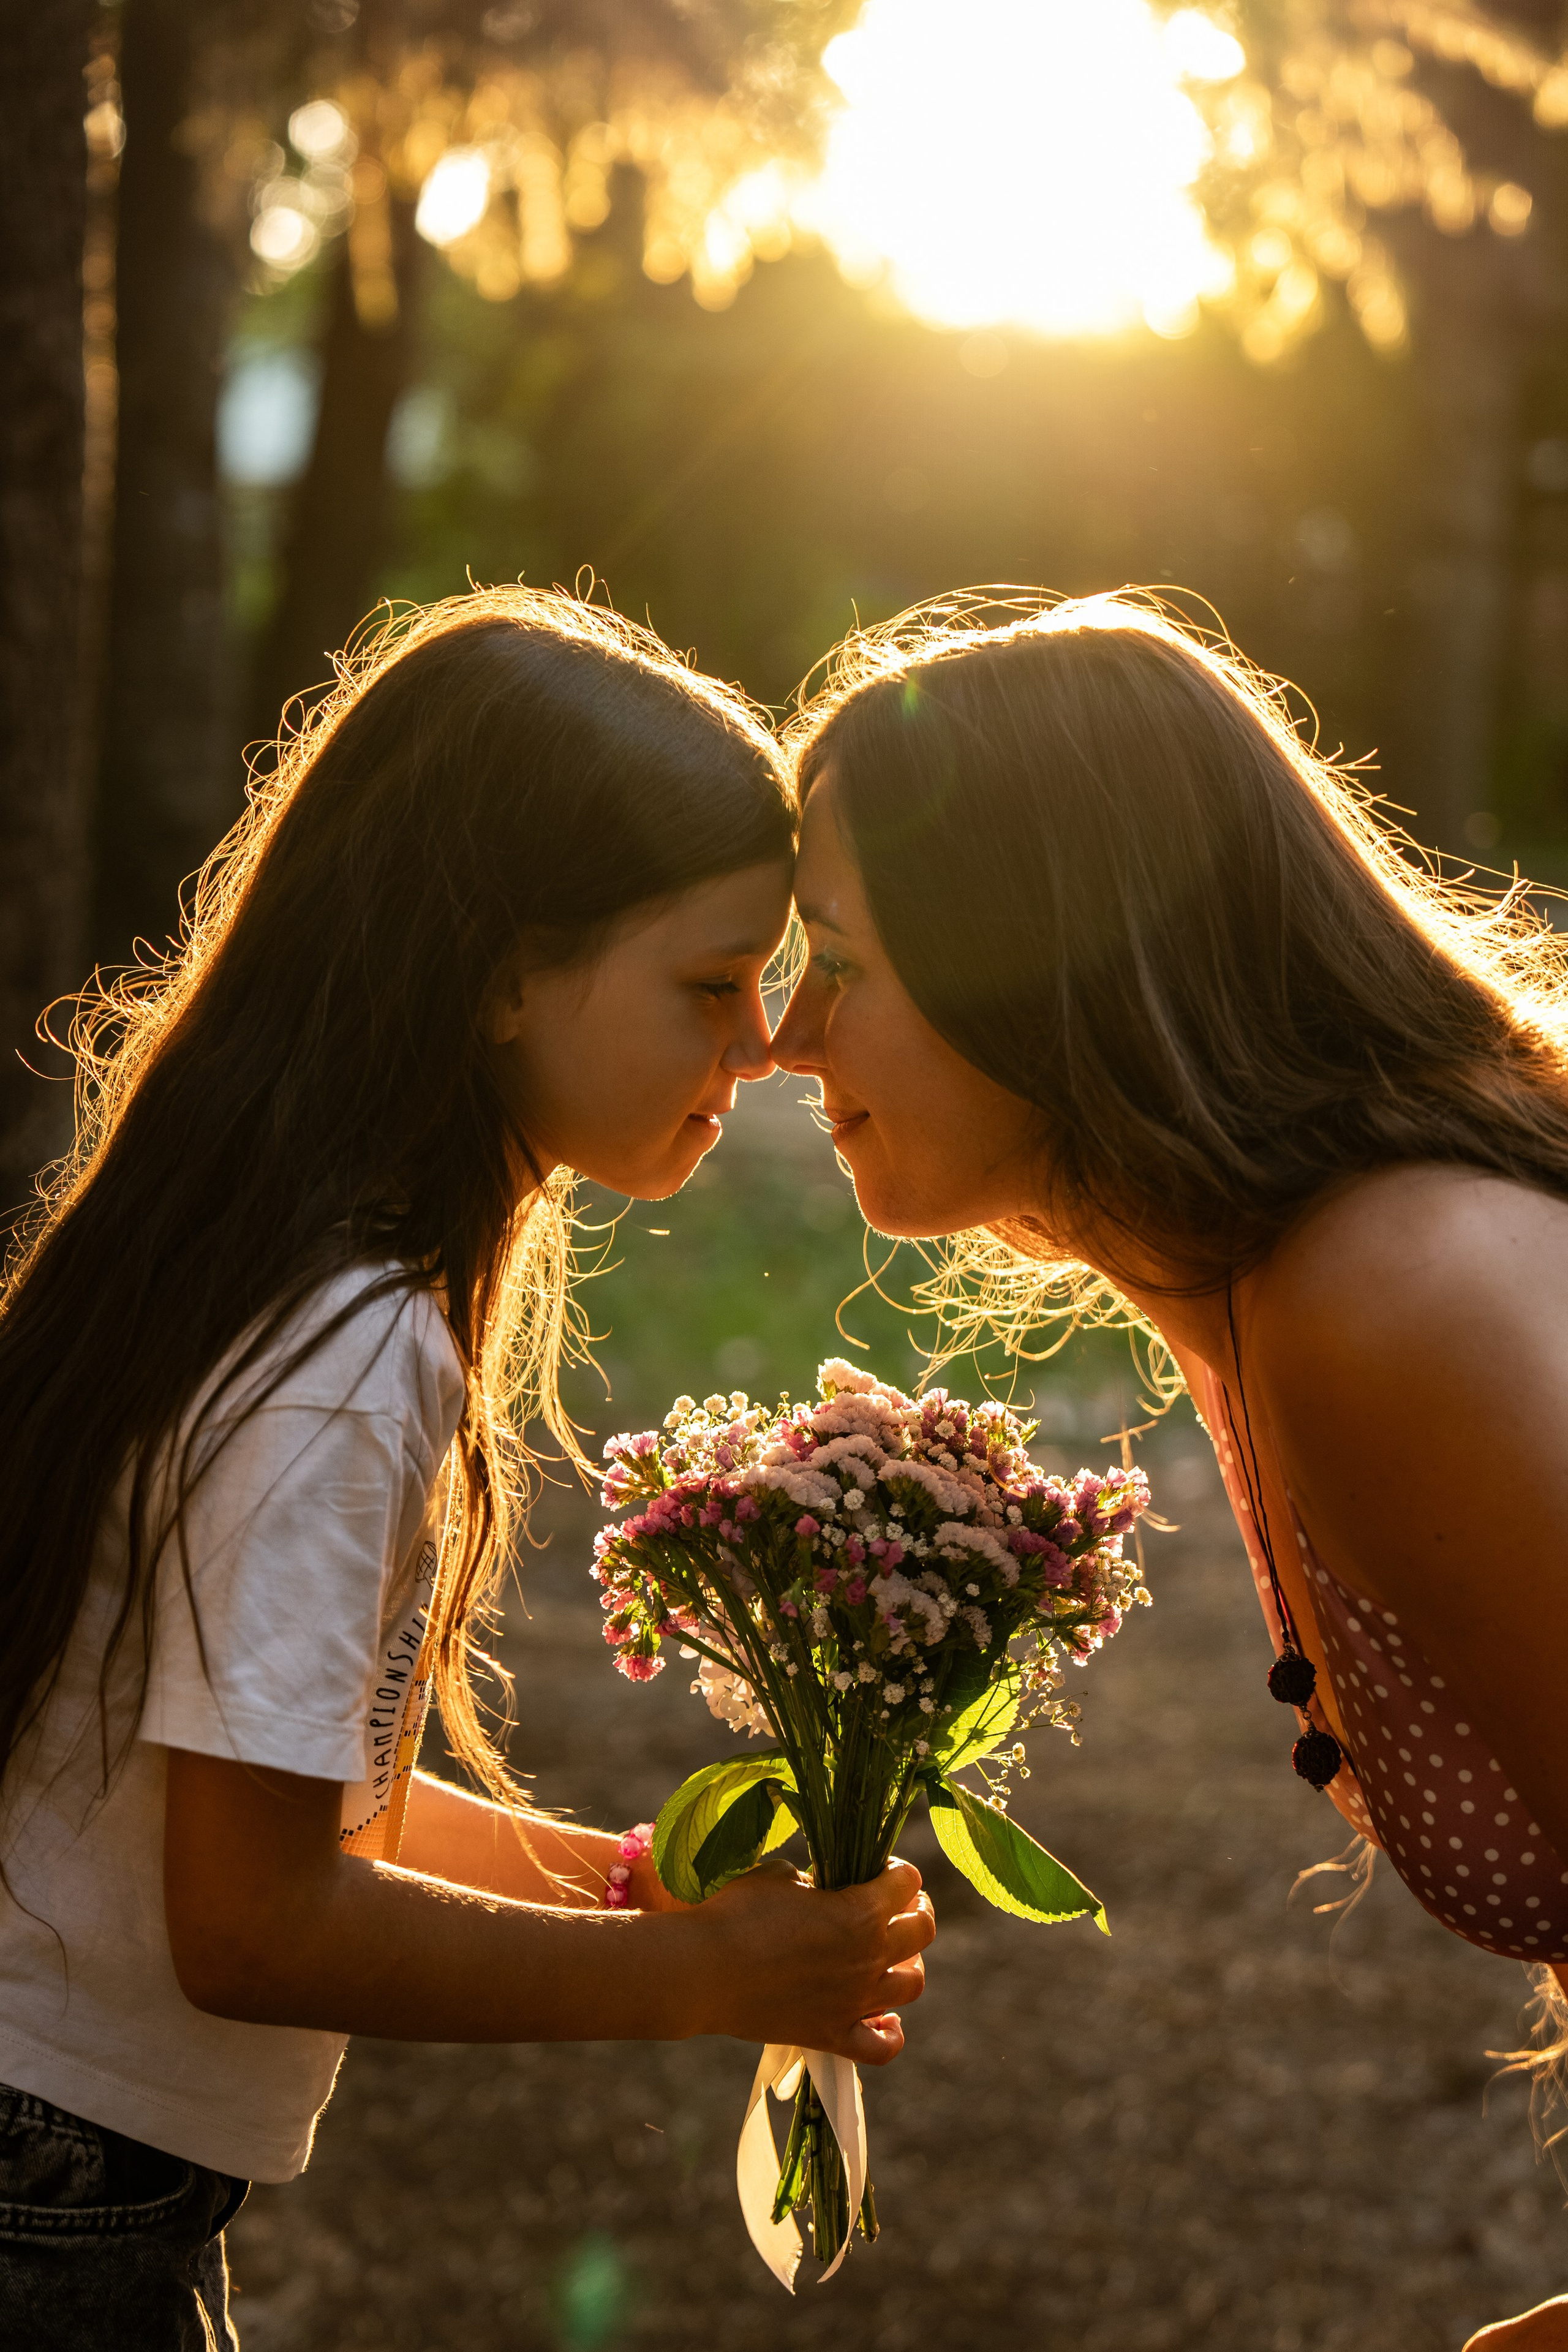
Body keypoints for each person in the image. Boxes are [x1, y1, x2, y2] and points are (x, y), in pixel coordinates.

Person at [0, 587, 932, 2350]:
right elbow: (256, 1925)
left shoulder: (269, 1256)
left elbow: (266, 1793)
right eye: (711, 984)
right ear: (506, 972)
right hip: (53, 2202)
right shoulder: (348, 1352)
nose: (760, 1048)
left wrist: (614, 1883)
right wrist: (695, 1980)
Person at [771, 590, 1568, 2352]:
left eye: (839, 959)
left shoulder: (1390, 1296)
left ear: (1037, 968)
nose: (786, 1035)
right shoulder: (1287, 1281)